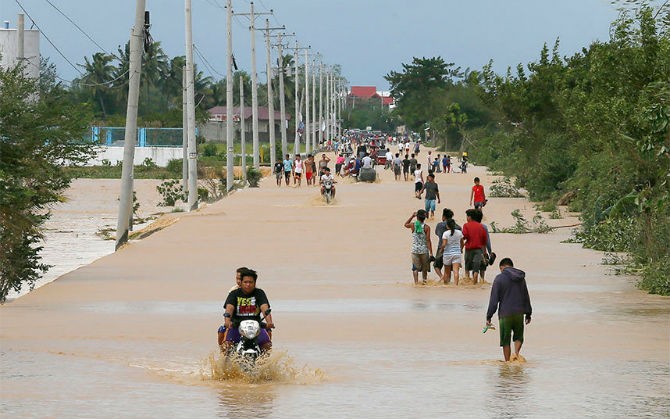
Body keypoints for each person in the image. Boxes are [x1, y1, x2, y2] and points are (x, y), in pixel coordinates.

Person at [486, 258, 532, 362]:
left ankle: (507, 362)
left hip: (505, 314)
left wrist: (489, 316)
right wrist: (528, 313)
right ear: (511, 266)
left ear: (502, 267)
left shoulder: (499, 278)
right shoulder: (521, 278)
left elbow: (494, 300)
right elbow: (526, 296)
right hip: (519, 313)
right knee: (518, 337)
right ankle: (516, 354)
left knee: (505, 340)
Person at [223, 268, 275, 353]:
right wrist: (227, 321)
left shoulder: (259, 293)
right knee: (227, 346)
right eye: (245, 282)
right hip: (236, 326)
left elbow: (265, 308)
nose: (248, 284)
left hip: (256, 326)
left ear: (255, 283)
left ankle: (264, 365)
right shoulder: (234, 294)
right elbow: (229, 309)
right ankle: (223, 365)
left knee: (267, 345)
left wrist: (269, 322)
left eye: (250, 282)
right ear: (241, 282)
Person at [217, 267, 248, 347]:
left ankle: (264, 355)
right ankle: (223, 354)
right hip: (235, 320)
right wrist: (228, 321)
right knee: (222, 331)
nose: (238, 281)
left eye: (240, 279)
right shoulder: (233, 291)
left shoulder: (255, 290)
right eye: (237, 278)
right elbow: (228, 308)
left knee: (267, 330)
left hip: (250, 320)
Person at [404, 209, 433, 285]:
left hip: (415, 250)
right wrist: (431, 253)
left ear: (417, 217)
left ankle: (416, 283)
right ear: (425, 217)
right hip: (424, 250)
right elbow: (428, 240)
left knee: (415, 268)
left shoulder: (413, 225)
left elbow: (405, 224)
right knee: (424, 268)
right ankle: (424, 282)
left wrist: (412, 216)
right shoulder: (427, 227)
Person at [462, 208, 488, 285]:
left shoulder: (466, 225)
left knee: (467, 269)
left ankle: (468, 285)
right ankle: (475, 285)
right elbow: (484, 242)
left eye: (467, 216)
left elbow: (464, 237)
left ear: (470, 217)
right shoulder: (481, 227)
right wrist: (485, 253)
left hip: (469, 250)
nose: (466, 218)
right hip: (479, 250)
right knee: (476, 270)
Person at [433, 208, 460, 281]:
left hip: (441, 247)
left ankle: (442, 277)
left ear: (443, 216)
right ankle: (447, 281)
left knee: (436, 265)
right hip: (453, 250)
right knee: (449, 269)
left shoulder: (439, 225)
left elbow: (437, 233)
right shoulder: (457, 227)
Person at [441, 219, 464, 285]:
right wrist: (461, 249)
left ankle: (446, 285)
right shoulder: (459, 232)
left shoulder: (445, 233)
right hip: (457, 254)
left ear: (447, 226)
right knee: (456, 271)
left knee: (446, 272)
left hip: (447, 254)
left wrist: (441, 250)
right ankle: (456, 285)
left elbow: (444, 244)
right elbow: (462, 243)